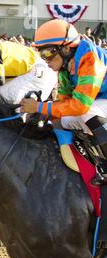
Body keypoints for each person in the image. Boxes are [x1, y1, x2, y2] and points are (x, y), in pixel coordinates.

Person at [20, 19, 107, 184]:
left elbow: (80, 105)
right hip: (103, 99)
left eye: (47, 53)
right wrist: (44, 113)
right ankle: (95, 157)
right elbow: (63, 103)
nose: (45, 60)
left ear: (66, 48)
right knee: (65, 120)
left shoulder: (90, 59)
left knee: (88, 111)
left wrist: (40, 106)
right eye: (41, 54)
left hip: (99, 102)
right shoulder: (66, 67)